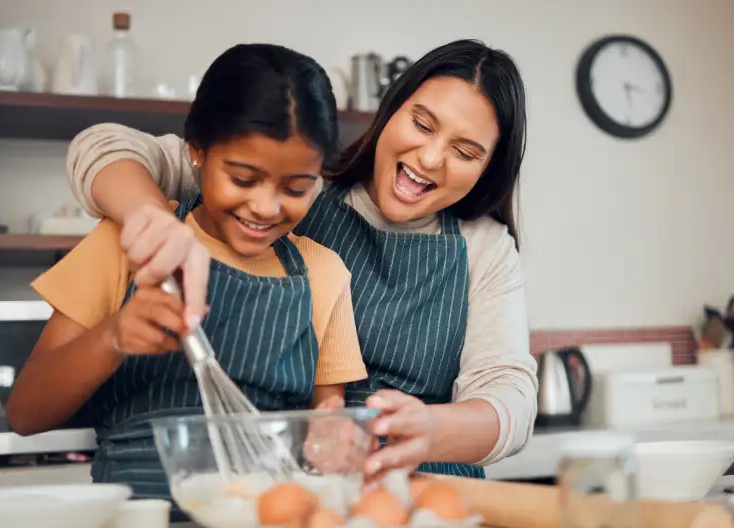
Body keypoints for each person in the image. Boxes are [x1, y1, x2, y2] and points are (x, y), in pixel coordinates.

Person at [62, 39, 538, 479]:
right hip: (293, 486)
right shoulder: (294, 186)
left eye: (464, 151)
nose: (432, 158)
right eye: (422, 123)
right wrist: (151, 217)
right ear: (390, 110)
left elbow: (509, 398)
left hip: (424, 489)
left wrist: (430, 430)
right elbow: (103, 146)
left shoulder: (485, 247)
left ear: (488, 167)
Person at [6, 43, 369, 512]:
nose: (265, 206)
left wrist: (334, 434)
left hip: (260, 517)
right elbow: (25, 413)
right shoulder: (130, 243)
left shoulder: (324, 273)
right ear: (196, 151)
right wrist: (112, 337)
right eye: (242, 179)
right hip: (137, 518)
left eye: (296, 188)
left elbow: (327, 414)